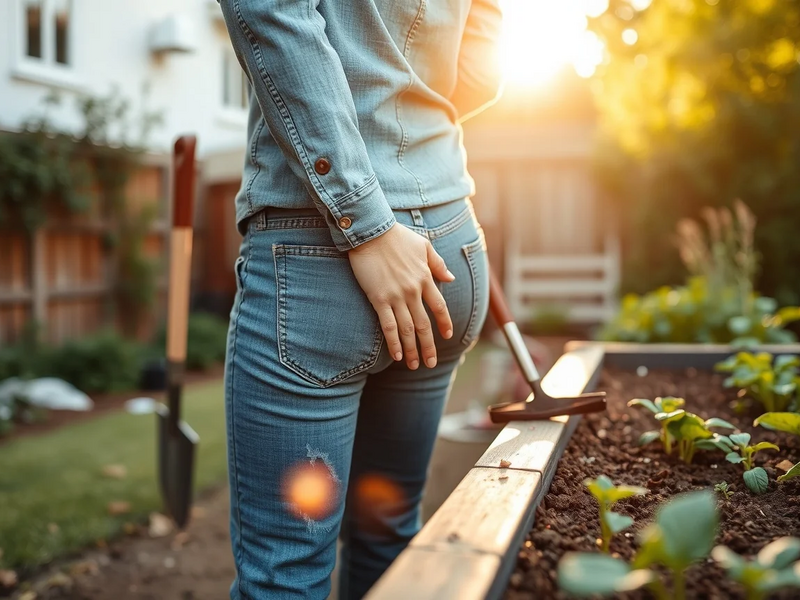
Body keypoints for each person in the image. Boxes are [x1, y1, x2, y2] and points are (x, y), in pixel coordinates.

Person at [218, 0, 503, 597]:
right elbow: (479, 73)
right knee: (389, 533)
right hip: (450, 244)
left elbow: (270, 16)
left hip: (321, 262)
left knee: (285, 572)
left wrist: (367, 223)